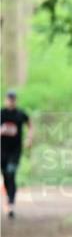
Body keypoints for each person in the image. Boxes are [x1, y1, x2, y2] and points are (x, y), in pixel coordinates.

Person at [1, 90, 33, 218]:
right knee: (5, 175)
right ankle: (8, 199)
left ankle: (10, 204)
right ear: (5, 100)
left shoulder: (20, 114)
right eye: (9, 99)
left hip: (15, 151)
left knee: (11, 173)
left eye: (13, 99)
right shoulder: (1, 114)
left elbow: (30, 124)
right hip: (1, 151)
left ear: (16, 100)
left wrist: (29, 138)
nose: (11, 101)